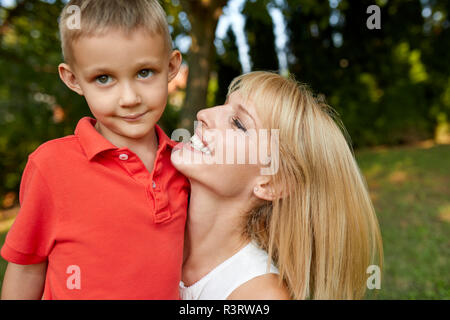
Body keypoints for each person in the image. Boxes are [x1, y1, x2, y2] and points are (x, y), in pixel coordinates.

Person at [0, 0, 189, 299]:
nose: (129, 98)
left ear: (171, 66)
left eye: (144, 72)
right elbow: (25, 269)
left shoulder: (188, 164)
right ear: (73, 79)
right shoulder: (51, 166)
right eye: (104, 78)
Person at [171, 71, 383, 300]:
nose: (204, 114)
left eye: (239, 124)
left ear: (272, 183)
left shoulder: (260, 296)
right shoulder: (152, 216)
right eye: (223, 105)